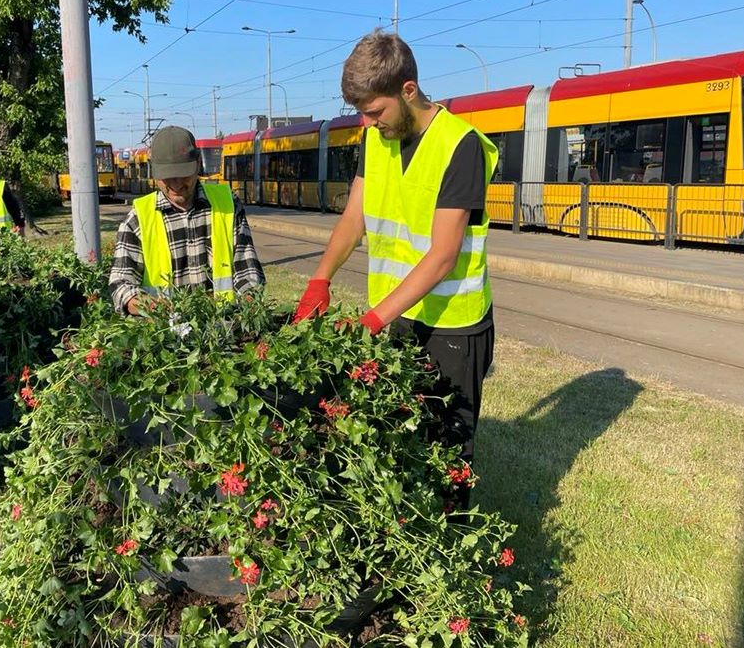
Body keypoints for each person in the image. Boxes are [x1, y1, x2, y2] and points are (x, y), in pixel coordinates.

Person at [292, 31, 498, 508]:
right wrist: (319, 279)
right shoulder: (375, 139)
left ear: (409, 90)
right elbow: (354, 219)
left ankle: (450, 548)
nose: (368, 122)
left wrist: (371, 320)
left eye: (375, 111)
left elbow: (443, 255)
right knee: (397, 437)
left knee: (448, 451)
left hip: (453, 326)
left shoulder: (460, 146)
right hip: (397, 317)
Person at [109, 126, 265, 314]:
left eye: (183, 175)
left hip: (223, 331)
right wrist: (151, 307)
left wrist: (248, 305)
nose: (176, 185)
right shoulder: (138, 218)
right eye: (167, 177)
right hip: (164, 336)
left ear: (198, 163)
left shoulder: (228, 205)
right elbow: (121, 284)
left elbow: (249, 274)